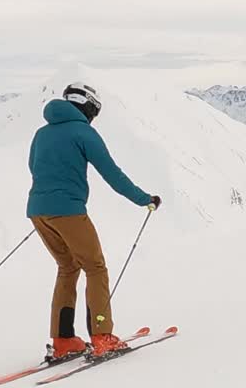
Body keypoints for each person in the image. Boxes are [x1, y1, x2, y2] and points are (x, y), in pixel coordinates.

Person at [27, 82, 160, 361]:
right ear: (88, 107)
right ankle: (102, 337)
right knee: (95, 267)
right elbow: (112, 174)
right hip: (68, 211)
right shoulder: (84, 133)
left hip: (38, 212)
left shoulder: (41, 134)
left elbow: (35, 169)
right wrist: (144, 199)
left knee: (67, 267)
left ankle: (63, 340)